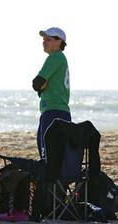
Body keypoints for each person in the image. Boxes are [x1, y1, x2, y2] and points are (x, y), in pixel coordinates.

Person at [32, 27, 71, 159]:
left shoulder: (55, 57)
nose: (44, 42)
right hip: (57, 112)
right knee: (55, 158)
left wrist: (41, 87)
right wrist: (42, 86)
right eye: (44, 39)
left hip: (53, 112)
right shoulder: (60, 58)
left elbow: (36, 83)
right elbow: (39, 85)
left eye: (48, 39)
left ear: (59, 41)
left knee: (48, 158)